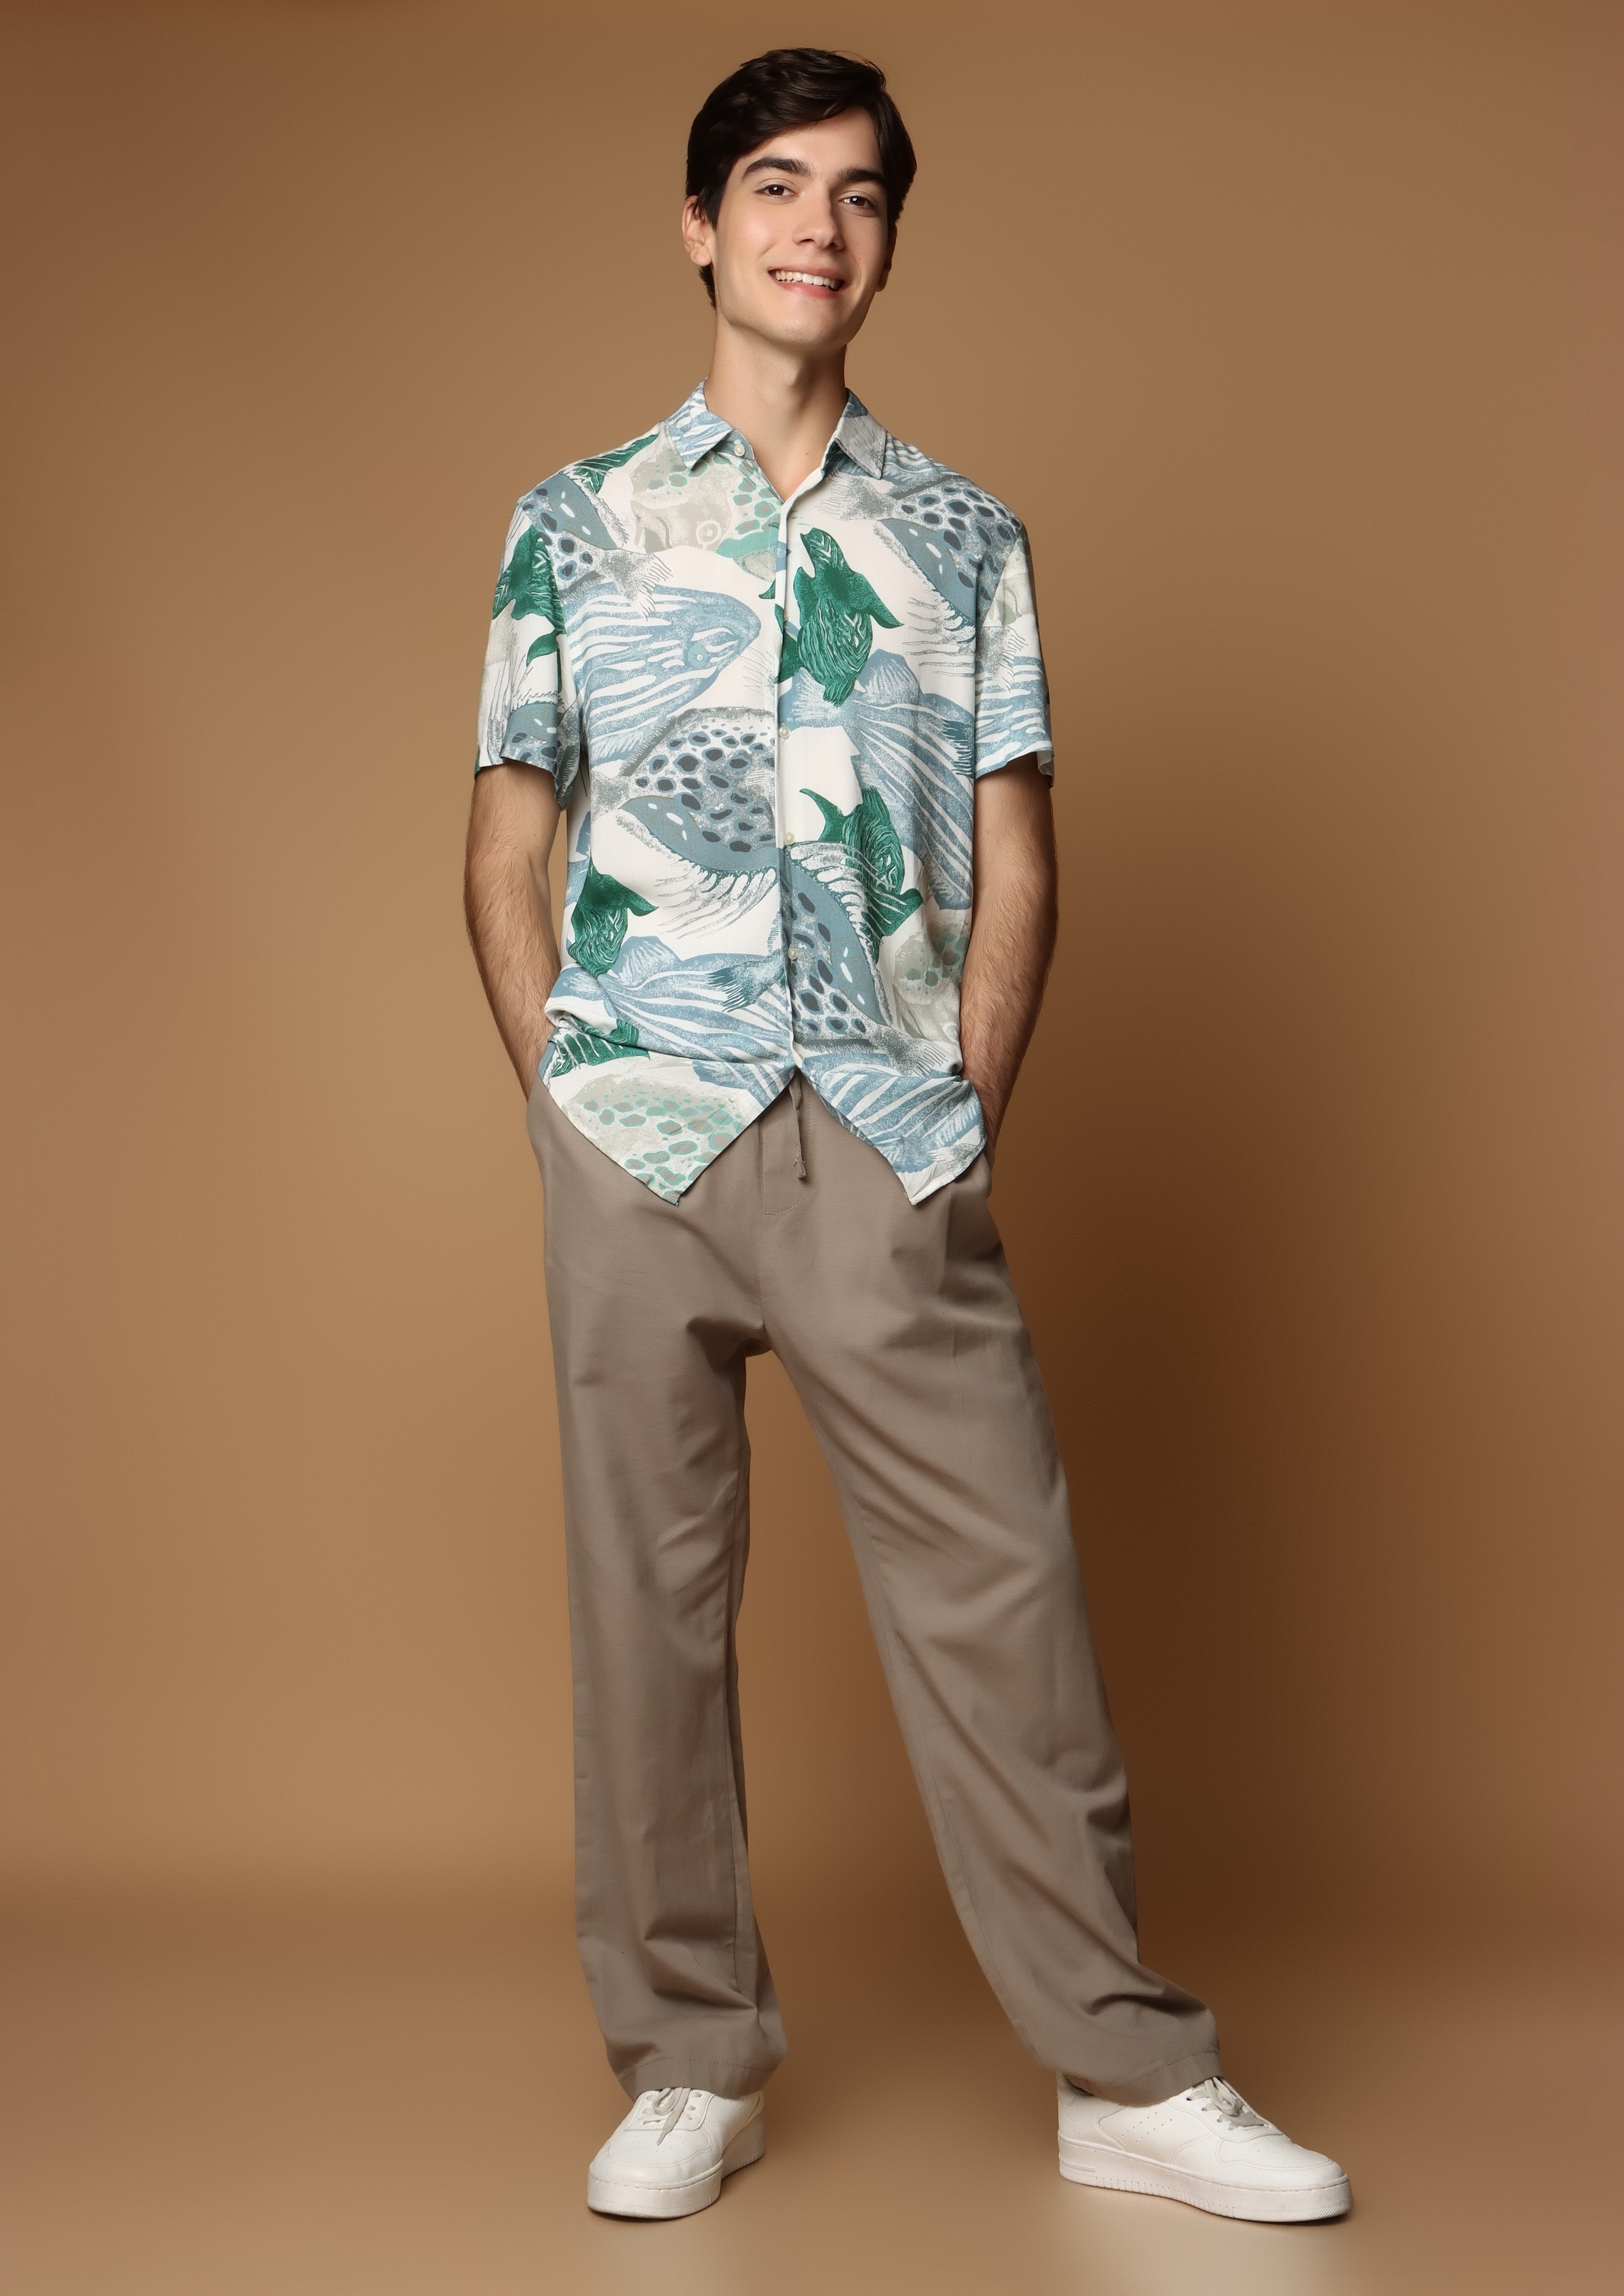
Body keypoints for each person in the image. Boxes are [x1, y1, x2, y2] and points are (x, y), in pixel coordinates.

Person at [464, 47, 1350, 2228]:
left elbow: (1016, 851)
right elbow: (504, 840)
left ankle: (1123, 2071)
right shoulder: (574, 521)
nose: (816, 228)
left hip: (879, 1123)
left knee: (1003, 1602)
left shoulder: (961, 536)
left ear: (885, 245)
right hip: (637, 1131)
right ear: (699, 226)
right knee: (642, 1619)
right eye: (774, 187)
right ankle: (688, 2061)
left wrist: (956, 1111)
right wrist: (572, 1106)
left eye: (858, 196)